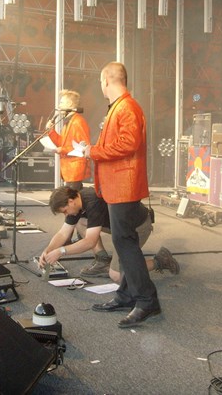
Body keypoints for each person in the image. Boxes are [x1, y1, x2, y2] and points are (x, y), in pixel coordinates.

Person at [88, 61, 160, 328]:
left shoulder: (127, 106)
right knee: (123, 242)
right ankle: (127, 295)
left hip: (123, 186)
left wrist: (92, 151)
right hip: (119, 186)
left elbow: (128, 144)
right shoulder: (122, 107)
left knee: (125, 243)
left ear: (107, 79)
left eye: (101, 84)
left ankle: (146, 300)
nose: (102, 89)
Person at [38, 186, 179, 283]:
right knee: (81, 221)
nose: (66, 214)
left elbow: (90, 242)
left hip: (137, 227)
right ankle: (102, 260)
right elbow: (63, 233)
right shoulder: (78, 202)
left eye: (64, 211)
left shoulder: (93, 201)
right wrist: (48, 250)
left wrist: (61, 251)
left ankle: (161, 260)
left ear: (70, 201)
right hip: (118, 226)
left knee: (117, 276)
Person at [45, 89, 91, 191]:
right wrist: (51, 131)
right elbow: (61, 142)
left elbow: (83, 147)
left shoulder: (78, 121)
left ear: (69, 104)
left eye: (61, 103)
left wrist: (62, 149)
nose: (59, 106)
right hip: (70, 170)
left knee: (72, 201)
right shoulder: (69, 121)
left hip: (75, 169)